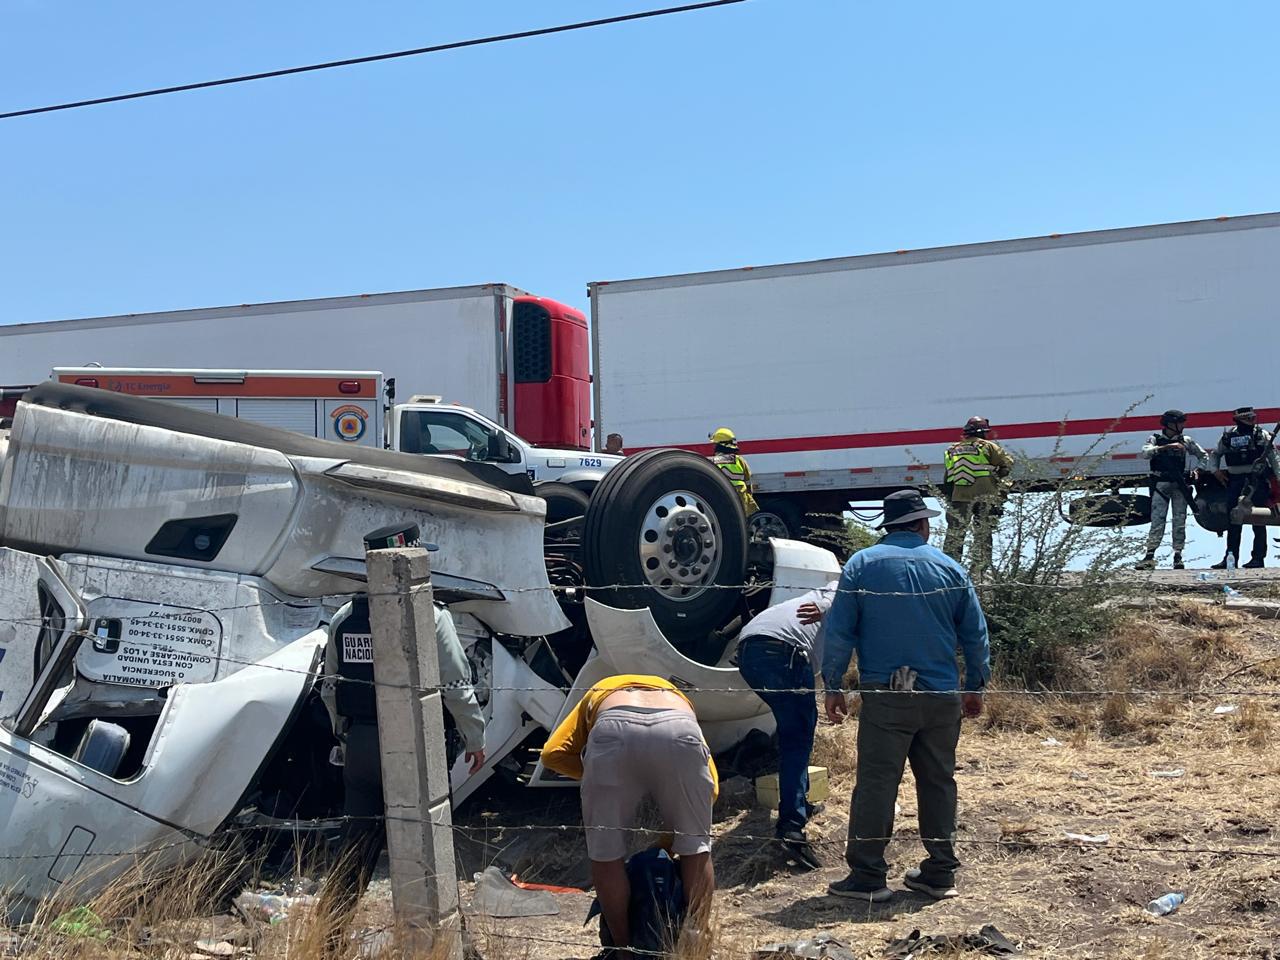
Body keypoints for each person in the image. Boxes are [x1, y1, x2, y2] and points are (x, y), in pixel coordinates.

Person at [821, 490, 990, 903]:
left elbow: (841, 629)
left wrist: (833, 684)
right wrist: (975, 685)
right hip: (941, 694)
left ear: (889, 525)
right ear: (920, 524)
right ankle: (940, 872)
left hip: (887, 694)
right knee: (938, 782)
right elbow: (975, 634)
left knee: (877, 784)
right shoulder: (951, 568)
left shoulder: (862, 564)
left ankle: (867, 877)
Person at [322, 527, 487, 928]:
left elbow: (330, 688)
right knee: (426, 848)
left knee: (355, 848)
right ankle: (439, 939)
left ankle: (328, 933)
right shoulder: (430, 614)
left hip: (360, 743)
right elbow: (453, 685)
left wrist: (345, 734)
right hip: (415, 746)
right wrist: (475, 736)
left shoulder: (345, 618)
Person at [540, 675, 717, 959]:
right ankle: (697, 943)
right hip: (680, 730)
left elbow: (552, 754)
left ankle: (623, 949)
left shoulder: (601, 688)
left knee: (606, 855)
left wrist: (601, 779)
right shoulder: (676, 696)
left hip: (614, 729)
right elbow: (712, 786)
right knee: (696, 849)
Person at [734, 581, 839, 870]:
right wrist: (823, 608)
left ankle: (795, 801)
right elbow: (837, 595)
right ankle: (791, 827)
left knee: (790, 726)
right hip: (783, 651)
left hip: (750, 648)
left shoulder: (825, 591)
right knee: (799, 734)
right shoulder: (850, 583)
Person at [1136, 410, 1208, 571]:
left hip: (1179, 485)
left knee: (1179, 521)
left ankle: (1178, 555)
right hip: (1160, 484)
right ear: (1170, 424)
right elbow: (1145, 453)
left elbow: (1204, 456)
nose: (1183, 425)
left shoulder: (1186, 440)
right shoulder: (1155, 439)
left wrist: (1198, 471)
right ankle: (1149, 555)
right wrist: (1165, 447)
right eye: (1180, 422)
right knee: (1157, 521)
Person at [1208, 406, 1280, 569]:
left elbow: (1274, 458)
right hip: (1235, 481)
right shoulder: (1228, 436)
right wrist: (1215, 471)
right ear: (1238, 419)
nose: (1251, 421)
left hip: (1257, 481)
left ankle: (1258, 558)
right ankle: (1230, 558)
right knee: (1234, 519)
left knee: (1259, 520)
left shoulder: (1261, 435)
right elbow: (1215, 454)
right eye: (1247, 418)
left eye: (1253, 418)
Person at [941, 416, 1013, 573]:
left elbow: (948, 476)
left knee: (955, 533)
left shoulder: (951, 449)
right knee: (983, 533)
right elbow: (1007, 465)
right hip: (984, 495)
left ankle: (950, 569)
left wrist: (949, 496)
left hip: (959, 496)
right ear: (983, 432)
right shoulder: (989, 447)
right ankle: (979, 571)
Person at [708, 427, 760, 516]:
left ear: (720, 445)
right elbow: (748, 483)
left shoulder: (712, 461)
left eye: (715, 444)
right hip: (740, 502)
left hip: (722, 500)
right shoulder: (740, 460)